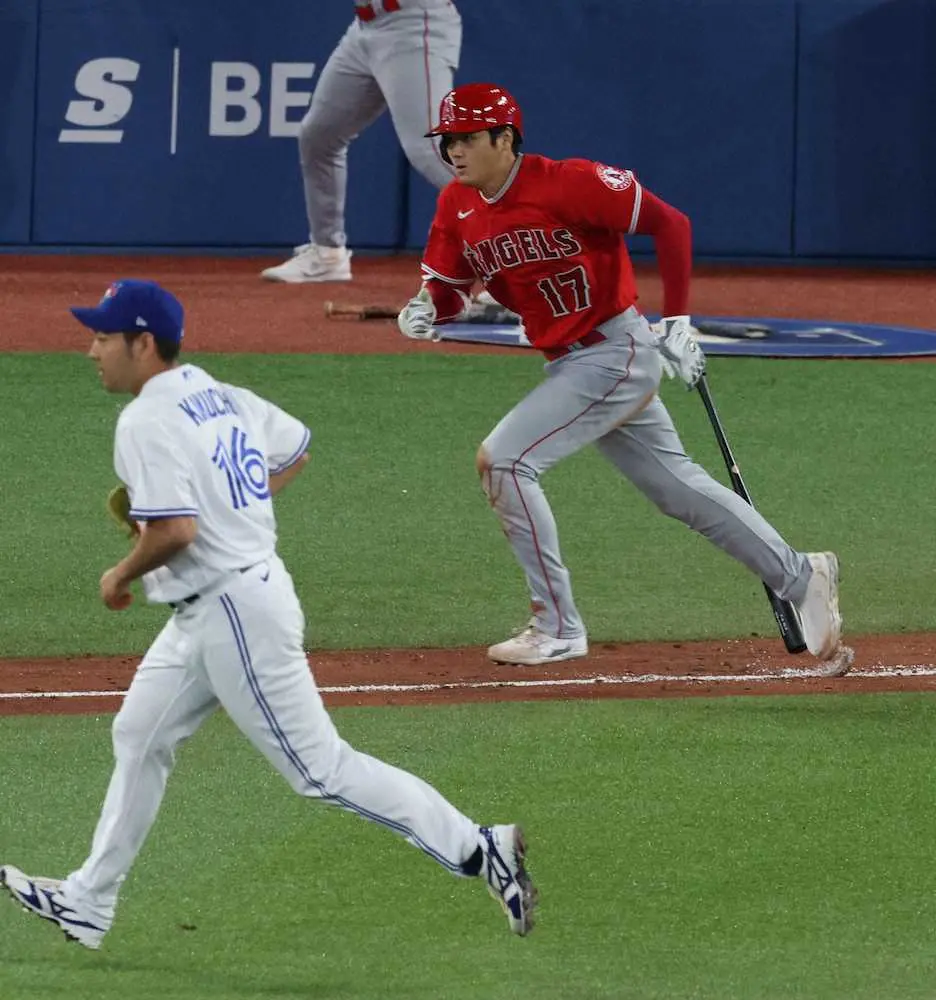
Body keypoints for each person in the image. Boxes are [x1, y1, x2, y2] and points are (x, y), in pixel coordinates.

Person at [0, 279, 537, 949]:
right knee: (141, 734)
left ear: (143, 344)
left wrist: (120, 572)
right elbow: (293, 451)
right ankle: (87, 901)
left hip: (234, 613)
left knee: (321, 770)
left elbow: (175, 531)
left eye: (103, 337)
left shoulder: (144, 419)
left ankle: (478, 846)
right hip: (213, 610)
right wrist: (230, 510)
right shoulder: (221, 394)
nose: (91, 351)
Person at [397, 83, 850, 673]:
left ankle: (556, 626)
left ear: (504, 139)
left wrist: (680, 320)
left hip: (615, 353)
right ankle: (800, 573)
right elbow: (453, 289)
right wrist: (430, 306)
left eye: (466, 138)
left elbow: (672, 224)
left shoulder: (570, 183)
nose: (453, 150)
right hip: (572, 361)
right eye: (448, 140)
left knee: (504, 460)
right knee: (678, 489)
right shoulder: (457, 205)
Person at [261, 0, 462, 284]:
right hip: (366, 27)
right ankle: (328, 253)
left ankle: (530, 251)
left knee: (430, 149)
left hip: (414, 22)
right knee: (320, 135)